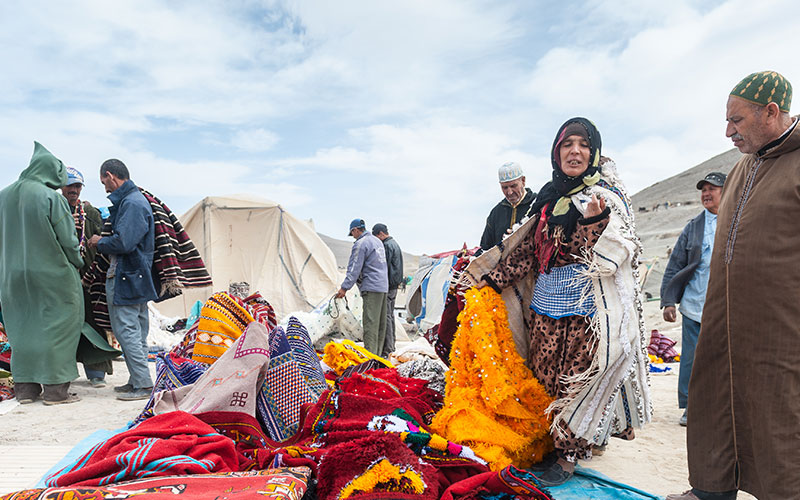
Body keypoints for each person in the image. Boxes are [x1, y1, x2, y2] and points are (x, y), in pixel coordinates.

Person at [476, 118, 651, 486]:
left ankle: (569, 453)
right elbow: (526, 250)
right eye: (567, 144)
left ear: (594, 152)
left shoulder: (606, 198)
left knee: (575, 381)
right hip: (545, 310)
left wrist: (594, 222)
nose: (575, 151)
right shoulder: (547, 198)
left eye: (583, 145)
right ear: (556, 153)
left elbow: (612, 255)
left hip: (586, 311)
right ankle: (550, 442)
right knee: (544, 378)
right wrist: (490, 281)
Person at [667, 71, 799, 500]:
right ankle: (710, 489)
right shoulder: (743, 168)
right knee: (713, 401)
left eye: (737, 120)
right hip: (721, 321)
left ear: (771, 112)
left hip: (778, 328)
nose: (728, 132)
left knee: (777, 413)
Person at [0, 142, 84, 405]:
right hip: (53, 274)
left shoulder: (3, 195)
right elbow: (68, 241)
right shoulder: (51, 198)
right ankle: (56, 392)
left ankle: (25, 390)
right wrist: (77, 262)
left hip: (11, 276)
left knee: (21, 329)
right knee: (59, 328)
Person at [87, 159, 158, 401]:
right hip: (136, 275)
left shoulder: (131, 203)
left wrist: (99, 241)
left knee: (126, 330)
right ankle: (136, 379)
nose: (105, 187)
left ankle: (143, 384)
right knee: (137, 330)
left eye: (104, 181)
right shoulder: (135, 201)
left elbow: (124, 243)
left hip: (127, 274)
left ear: (110, 175)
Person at [659, 172, 726, 426]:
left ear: (726, 191)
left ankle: (721, 407)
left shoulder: (738, 220)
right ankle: (691, 407)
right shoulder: (694, 227)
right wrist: (668, 300)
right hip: (694, 304)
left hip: (726, 307)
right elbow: (676, 263)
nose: (706, 194)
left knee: (723, 358)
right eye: (703, 190)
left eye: (713, 189)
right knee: (691, 359)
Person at [62, 166, 112, 388]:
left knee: (94, 320)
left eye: (77, 186)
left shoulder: (90, 213)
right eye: (70, 185)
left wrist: (99, 237)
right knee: (63, 326)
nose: (74, 190)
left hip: (89, 278)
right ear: (61, 186)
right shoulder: (55, 210)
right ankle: (63, 373)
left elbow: (106, 236)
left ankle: (96, 372)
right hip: (62, 279)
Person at [335, 219, 389, 356]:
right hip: (383, 286)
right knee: (380, 324)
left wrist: (344, 288)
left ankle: (370, 358)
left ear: (355, 230)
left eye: (352, 233)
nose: (353, 236)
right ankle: (378, 355)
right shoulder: (377, 241)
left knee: (370, 323)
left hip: (371, 287)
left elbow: (354, 268)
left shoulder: (361, 244)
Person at [479, 162, 537, 251]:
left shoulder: (537, 204)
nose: (509, 192)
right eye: (505, 188)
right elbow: (485, 248)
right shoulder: (496, 213)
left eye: (513, 186)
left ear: (523, 181)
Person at [372, 223, 404, 357]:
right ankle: (391, 346)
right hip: (394, 285)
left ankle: (388, 349)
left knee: (386, 316)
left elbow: (383, 266)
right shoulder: (394, 244)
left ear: (380, 234)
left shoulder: (387, 246)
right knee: (390, 316)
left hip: (388, 286)